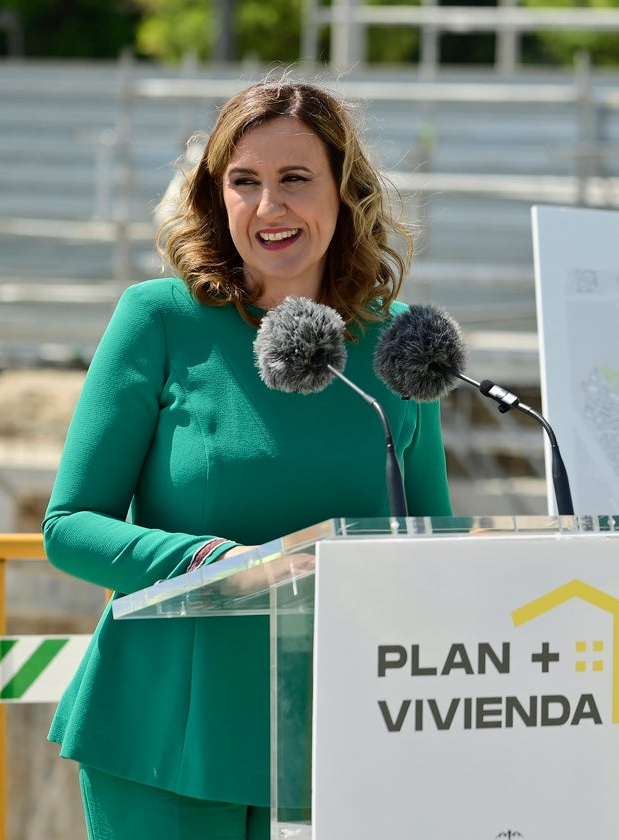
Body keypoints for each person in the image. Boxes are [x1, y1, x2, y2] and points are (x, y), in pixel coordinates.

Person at [43, 78, 453, 840]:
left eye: (295, 179)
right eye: (245, 182)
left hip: (346, 740)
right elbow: (69, 526)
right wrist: (217, 562)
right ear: (216, 198)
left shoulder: (402, 343)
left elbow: (437, 549)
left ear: (344, 190)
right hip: (167, 738)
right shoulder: (158, 320)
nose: (270, 207)